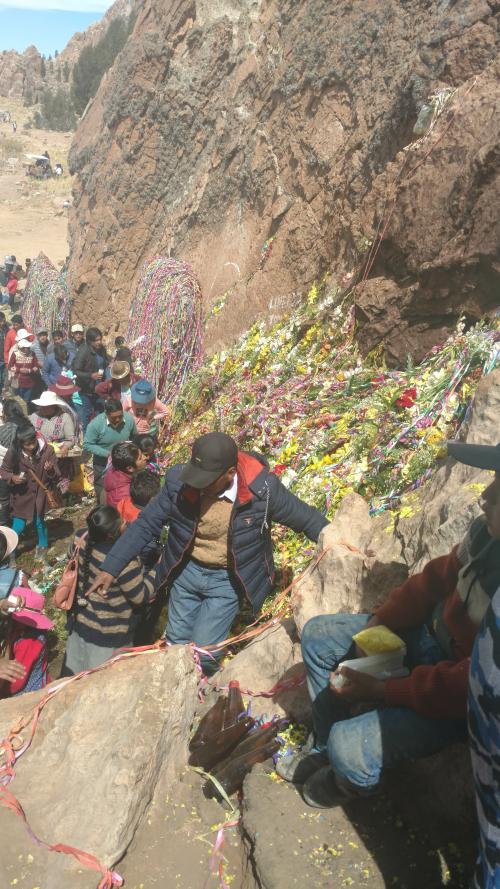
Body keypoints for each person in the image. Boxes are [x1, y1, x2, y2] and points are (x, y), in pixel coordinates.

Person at [276, 439, 500, 808]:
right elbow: (430, 584)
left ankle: (349, 778)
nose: (485, 496)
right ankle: (324, 743)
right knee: (319, 635)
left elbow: (471, 685)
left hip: (457, 699)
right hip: (427, 641)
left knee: (350, 748)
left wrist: (383, 692)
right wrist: (377, 627)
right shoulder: (484, 536)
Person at [87, 431, 328, 673]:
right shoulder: (179, 483)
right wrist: (111, 567)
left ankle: (203, 693)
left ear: (229, 474)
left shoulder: (262, 491)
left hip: (226, 581)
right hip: (186, 571)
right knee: (176, 645)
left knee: (205, 653)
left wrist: (338, 540)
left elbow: (305, 518)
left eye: (205, 480)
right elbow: (146, 523)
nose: (196, 485)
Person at [61, 505, 155, 674]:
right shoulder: (124, 562)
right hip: (108, 636)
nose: (126, 522)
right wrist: (156, 573)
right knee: (99, 685)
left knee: (72, 679)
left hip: (78, 623)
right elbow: (139, 597)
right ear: (112, 534)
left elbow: (71, 557)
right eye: (122, 522)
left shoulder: (79, 537)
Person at [0, 423, 61, 558]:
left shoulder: (48, 451)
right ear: (20, 443)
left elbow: (57, 475)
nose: (31, 447)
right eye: (27, 445)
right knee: (18, 526)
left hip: (40, 494)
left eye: (33, 442)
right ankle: (10, 551)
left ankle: (43, 545)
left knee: (39, 522)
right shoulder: (14, 453)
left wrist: (50, 470)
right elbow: (4, 470)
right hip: (22, 496)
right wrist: (12, 477)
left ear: (36, 438)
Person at [83, 398, 137, 503]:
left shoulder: (129, 419)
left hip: (124, 463)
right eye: (114, 418)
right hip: (102, 465)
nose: (117, 420)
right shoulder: (95, 425)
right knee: (103, 492)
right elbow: (88, 444)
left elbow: (134, 437)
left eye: (120, 417)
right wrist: (108, 454)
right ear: (106, 414)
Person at [2, 588, 53, 696]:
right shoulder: (23, 631)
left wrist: (3, 691)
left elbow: (17, 682)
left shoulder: (29, 642)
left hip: (28, 692)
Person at [0, 400, 33, 523]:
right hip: (22, 470)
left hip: (3, 473)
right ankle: (17, 525)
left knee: (4, 501)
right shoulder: (27, 424)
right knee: (19, 499)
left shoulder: (4, 429)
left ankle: (5, 529)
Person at [72, 327, 109, 431]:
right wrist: (90, 375)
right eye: (96, 340)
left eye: (100, 339)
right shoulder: (83, 352)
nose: (99, 342)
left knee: (100, 413)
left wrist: (110, 363)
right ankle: (87, 438)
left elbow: (104, 361)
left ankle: (99, 435)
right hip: (86, 389)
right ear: (89, 341)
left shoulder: (101, 349)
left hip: (99, 387)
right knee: (87, 414)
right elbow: (76, 371)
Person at [29, 390, 77, 455]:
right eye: (42, 406)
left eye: (47, 406)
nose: (43, 408)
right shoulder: (34, 416)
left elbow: (71, 439)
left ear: (54, 406)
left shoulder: (65, 417)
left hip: (58, 452)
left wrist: (66, 446)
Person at [103, 441, 146, 508]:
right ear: (130, 468)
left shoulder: (115, 469)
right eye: (140, 458)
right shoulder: (126, 495)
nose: (145, 457)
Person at [8, 338, 40, 405]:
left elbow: (36, 366)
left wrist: (29, 370)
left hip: (29, 381)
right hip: (17, 381)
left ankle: (24, 414)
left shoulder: (32, 354)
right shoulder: (15, 354)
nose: (27, 349)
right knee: (18, 400)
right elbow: (10, 366)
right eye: (25, 347)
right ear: (21, 347)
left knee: (26, 401)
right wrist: (19, 370)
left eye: (28, 347)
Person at [0, 313, 10, 393]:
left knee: (4, 377)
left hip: (5, 358)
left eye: (3, 321)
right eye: (0, 321)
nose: (2, 323)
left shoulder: (7, 330)